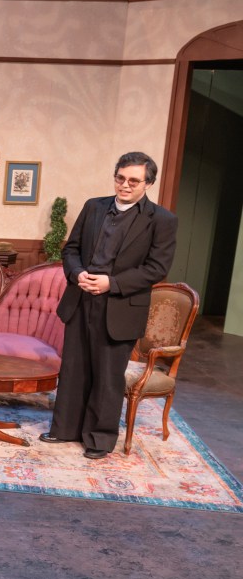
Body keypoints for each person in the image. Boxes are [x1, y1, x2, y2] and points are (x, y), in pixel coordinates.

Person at [41, 151, 177, 459]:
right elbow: (71, 249)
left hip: (120, 305)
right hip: (80, 299)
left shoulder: (162, 220)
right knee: (73, 369)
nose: (125, 185)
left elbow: (157, 268)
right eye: (120, 178)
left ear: (148, 183)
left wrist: (111, 283)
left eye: (133, 181)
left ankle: (99, 439)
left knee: (107, 376)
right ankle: (65, 429)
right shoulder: (94, 207)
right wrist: (77, 273)